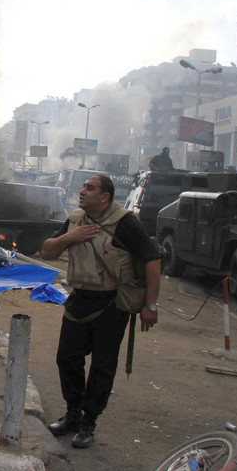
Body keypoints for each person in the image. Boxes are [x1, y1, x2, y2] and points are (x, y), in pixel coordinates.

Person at [41, 174, 160, 449]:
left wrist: (151, 305)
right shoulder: (76, 219)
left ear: (105, 197)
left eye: (90, 188)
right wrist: (71, 236)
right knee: (67, 358)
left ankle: (89, 422)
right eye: (84, 187)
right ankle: (72, 414)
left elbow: (152, 260)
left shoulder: (125, 222)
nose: (83, 191)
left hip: (112, 304)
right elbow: (46, 251)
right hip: (80, 299)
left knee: (102, 366)